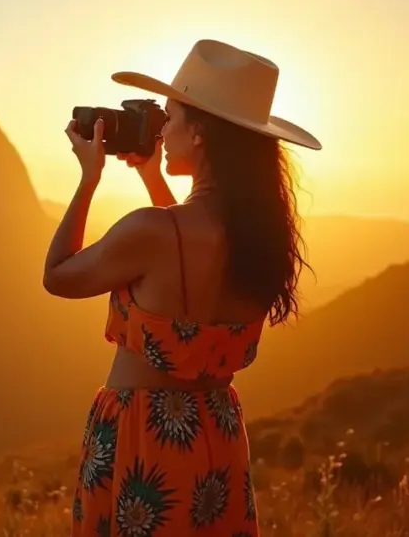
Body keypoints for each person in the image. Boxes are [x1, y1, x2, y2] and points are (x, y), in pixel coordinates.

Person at [42, 39, 321, 536]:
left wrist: (89, 179)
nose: (161, 131)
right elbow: (183, 244)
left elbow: (59, 275)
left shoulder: (150, 231)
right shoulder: (260, 237)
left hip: (143, 441)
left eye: (170, 118)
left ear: (199, 134)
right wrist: (152, 174)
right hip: (216, 435)